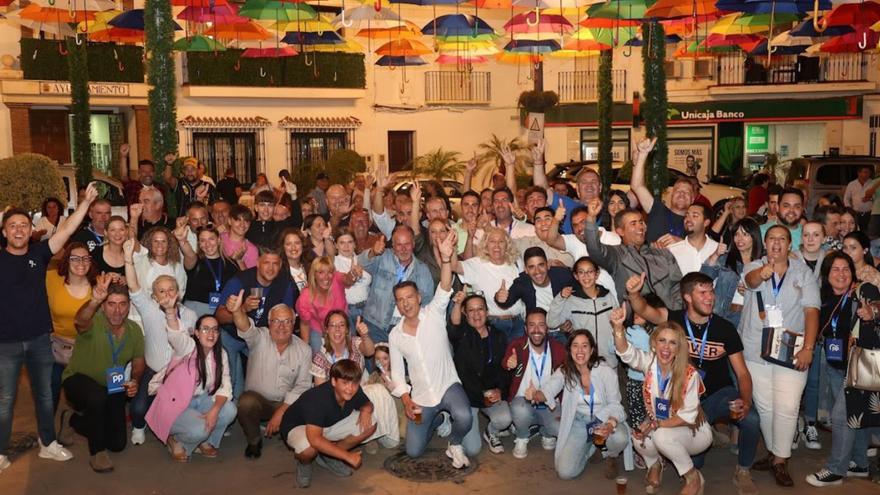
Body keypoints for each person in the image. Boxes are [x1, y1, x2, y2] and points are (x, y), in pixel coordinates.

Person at [627, 271, 761, 494]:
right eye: (703, 292)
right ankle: (676, 460)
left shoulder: (725, 329)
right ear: (687, 297)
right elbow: (643, 310)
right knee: (693, 461)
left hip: (717, 395)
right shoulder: (673, 320)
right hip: (682, 399)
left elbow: (743, 374)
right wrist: (633, 293)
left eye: (711, 292)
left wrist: (745, 401)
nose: (710, 297)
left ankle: (744, 470)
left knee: (752, 418)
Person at [0, 184, 98, 472]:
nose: (18, 230)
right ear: (4, 232)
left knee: (44, 395)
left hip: (41, 339)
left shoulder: (39, 254)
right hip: (5, 344)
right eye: (12, 226)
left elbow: (66, 231)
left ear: (31, 230)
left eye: (23, 225)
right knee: (5, 401)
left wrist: (84, 203)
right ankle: (0, 451)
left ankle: (48, 444)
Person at [741, 225, 820, 486]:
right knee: (765, 407)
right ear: (765, 243)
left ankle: (781, 460)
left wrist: (808, 348)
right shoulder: (754, 266)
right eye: (771, 239)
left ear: (789, 244)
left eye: (782, 239)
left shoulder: (802, 272)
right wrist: (762, 274)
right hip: (756, 348)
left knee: (787, 406)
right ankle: (776, 453)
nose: (776, 243)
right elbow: (750, 282)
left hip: (791, 349)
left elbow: (811, 311)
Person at [389, 231, 474, 468]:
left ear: (419, 297)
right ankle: (436, 421)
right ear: (397, 304)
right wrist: (406, 399)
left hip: (447, 385)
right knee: (413, 451)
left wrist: (446, 260)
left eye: (409, 297)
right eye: (400, 299)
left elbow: (445, 285)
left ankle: (454, 443)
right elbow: (397, 373)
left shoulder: (434, 313)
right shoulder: (395, 335)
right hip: (421, 398)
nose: (406, 303)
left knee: (465, 416)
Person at [611, 309, 711, 495]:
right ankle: (654, 466)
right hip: (663, 425)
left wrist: (656, 423)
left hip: (694, 432)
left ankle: (692, 477)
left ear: (679, 348)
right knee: (638, 433)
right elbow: (626, 352)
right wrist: (618, 328)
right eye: (662, 341)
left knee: (660, 435)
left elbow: (687, 417)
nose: (666, 347)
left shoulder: (690, 374)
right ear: (654, 344)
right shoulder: (649, 363)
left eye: (673, 343)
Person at [61, 279, 144, 473]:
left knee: (117, 443)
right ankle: (97, 454)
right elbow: (79, 321)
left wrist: (135, 380)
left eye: (122, 304)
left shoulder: (134, 330)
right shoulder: (93, 321)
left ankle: (72, 420)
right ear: (103, 306)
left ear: (129, 306)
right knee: (96, 397)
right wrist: (93, 301)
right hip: (78, 380)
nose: (117, 311)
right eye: (111, 304)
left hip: (112, 383)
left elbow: (139, 363)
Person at [123, 238, 198, 446]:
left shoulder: (191, 316)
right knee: (137, 409)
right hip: (152, 370)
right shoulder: (148, 310)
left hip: (180, 373)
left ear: (179, 292)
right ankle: (140, 426)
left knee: (186, 407)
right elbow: (134, 287)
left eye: (171, 289)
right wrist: (128, 260)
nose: (167, 295)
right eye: (161, 291)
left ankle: (176, 430)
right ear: (154, 297)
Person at [225, 292, 312, 459]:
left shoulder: (304, 350)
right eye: (276, 321)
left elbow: (303, 385)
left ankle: (288, 432)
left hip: (285, 405)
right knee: (246, 402)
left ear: (294, 324)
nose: (282, 326)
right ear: (269, 323)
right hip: (260, 403)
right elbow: (245, 327)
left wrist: (282, 412)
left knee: (306, 406)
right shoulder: (259, 337)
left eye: (287, 321)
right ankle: (254, 440)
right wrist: (237, 311)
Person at [146, 312, 236, 462]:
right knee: (200, 429)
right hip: (176, 405)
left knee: (229, 410)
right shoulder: (187, 348)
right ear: (196, 333)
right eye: (205, 329)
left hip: (201, 400)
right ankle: (176, 440)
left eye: (215, 329)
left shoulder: (221, 353)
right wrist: (170, 311)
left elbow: (225, 385)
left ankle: (203, 440)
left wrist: (214, 410)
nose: (211, 334)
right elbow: (175, 336)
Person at [540, 330, 629, 480]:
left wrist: (610, 424)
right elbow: (550, 387)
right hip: (579, 422)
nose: (580, 351)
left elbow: (616, 405)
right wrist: (537, 394)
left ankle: (611, 455)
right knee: (565, 472)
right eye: (575, 346)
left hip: (603, 419)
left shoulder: (605, 372)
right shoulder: (565, 371)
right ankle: (591, 448)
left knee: (620, 437)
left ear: (592, 349)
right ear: (569, 350)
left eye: (584, 346)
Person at [215, 248, 298, 401]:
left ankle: (261, 410)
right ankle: (228, 413)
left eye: (275, 264)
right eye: (266, 263)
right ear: (258, 263)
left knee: (269, 374)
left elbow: (287, 316)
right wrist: (242, 310)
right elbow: (219, 316)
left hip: (260, 336)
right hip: (232, 335)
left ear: (280, 266)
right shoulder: (239, 281)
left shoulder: (284, 283)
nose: (271, 268)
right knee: (230, 379)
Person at [281, 359, 379, 488]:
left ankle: (330, 457)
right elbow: (315, 439)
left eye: (354, 383)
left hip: (326, 424)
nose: (350, 388)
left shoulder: (354, 390)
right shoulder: (318, 399)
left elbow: (367, 403)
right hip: (298, 426)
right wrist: (347, 456)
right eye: (345, 383)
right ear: (333, 381)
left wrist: (367, 409)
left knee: (370, 423)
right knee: (309, 449)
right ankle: (305, 465)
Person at [584, 200, 683, 310]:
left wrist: (678, 311)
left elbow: (678, 284)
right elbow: (594, 249)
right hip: (637, 319)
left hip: (668, 316)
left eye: (641, 222)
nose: (640, 227)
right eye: (633, 223)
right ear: (620, 231)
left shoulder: (661, 252)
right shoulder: (617, 255)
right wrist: (591, 217)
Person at [448, 291, 512, 456]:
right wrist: (457, 303)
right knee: (472, 449)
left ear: (487, 312)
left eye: (480, 309)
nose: (476, 314)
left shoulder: (498, 336)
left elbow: (505, 370)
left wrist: (500, 391)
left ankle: (491, 431)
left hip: (491, 394)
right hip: (469, 396)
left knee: (505, 418)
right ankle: (455, 425)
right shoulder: (462, 335)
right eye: (471, 310)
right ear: (465, 314)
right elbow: (454, 325)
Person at [502, 308, 566, 459]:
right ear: (525, 328)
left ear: (547, 327)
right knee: (520, 409)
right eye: (531, 325)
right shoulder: (517, 345)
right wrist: (509, 364)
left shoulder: (558, 348)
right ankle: (522, 435)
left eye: (541, 325)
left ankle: (546, 432)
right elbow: (505, 362)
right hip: (523, 400)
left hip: (549, 402)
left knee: (558, 428)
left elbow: (567, 374)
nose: (536, 330)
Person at [358, 224, 434, 344]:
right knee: (374, 362)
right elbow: (361, 262)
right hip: (374, 325)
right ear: (392, 246)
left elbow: (427, 302)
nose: (403, 249)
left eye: (407, 244)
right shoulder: (382, 256)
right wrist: (373, 252)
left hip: (403, 330)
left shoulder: (423, 269)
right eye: (399, 244)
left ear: (413, 244)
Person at [46, 242, 96, 411]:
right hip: (57, 348)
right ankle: (46, 433)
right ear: (66, 260)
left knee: (83, 393)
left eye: (85, 258)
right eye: (74, 258)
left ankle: (75, 422)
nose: (80, 263)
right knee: (49, 388)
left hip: (86, 349)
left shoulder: (98, 286)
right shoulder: (51, 279)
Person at [452, 226, 524, 341]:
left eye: (501, 241)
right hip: (493, 324)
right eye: (492, 241)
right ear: (485, 245)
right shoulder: (476, 264)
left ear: (507, 245)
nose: (497, 246)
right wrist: (452, 246)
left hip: (518, 324)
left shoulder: (517, 263)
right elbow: (454, 266)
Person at [548, 256, 620, 364]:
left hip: (609, 359)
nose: (586, 276)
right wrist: (560, 298)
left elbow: (617, 324)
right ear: (576, 276)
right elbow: (551, 323)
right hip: (583, 360)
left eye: (590, 271)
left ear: (597, 274)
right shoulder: (571, 300)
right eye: (581, 272)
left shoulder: (608, 296)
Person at [701, 218, 765, 329]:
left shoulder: (763, 263)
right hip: (723, 314)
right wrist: (715, 255)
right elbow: (703, 280)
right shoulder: (726, 259)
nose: (739, 238)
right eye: (736, 234)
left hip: (749, 318)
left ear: (754, 237)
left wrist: (749, 292)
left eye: (745, 234)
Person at [630, 138, 694, 245]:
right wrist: (643, 155)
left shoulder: (695, 223)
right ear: (671, 195)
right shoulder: (658, 210)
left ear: (693, 199)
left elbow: (702, 247)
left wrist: (681, 243)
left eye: (687, 192)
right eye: (678, 191)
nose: (682, 194)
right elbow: (637, 186)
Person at [495, 246, 574, 323]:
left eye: (541, 265)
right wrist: (499, 298)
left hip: (562, 327)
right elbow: (506, 303)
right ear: (525, 270)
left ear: (547, 265)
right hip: (537, 330)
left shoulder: (562, 275)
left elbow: (580, 287)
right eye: (531, 267)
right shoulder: (522, 283)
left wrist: (571, 320)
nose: (537, 271)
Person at [296, 256, 354, 352]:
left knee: (349, 352)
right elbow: (305, 324)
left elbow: (347, 279)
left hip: (343, 325)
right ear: (314, 275)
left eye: (329, 272)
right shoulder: (305, 297)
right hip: (319, 329)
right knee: (317, 354)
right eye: (321, 272)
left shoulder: (336, 279)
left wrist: (353, 274)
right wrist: (304, 348)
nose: (326, 277)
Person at [180, 226, 239, 317]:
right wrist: (181, 240)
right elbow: (188, 253)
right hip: (195, 311)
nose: (207, 244)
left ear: (219, 240)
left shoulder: (232, 264)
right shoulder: (195, 261)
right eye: (203, 241)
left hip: (222, 312)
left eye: (211, 239)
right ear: (199, 244)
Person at [310, 311, 375, 385]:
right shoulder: (320, 359)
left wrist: (364, 336)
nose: (337, 328)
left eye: (342, 325)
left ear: (347, 330)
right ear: (327, 330)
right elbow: (321, 391)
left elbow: (370, 352)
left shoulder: (354, 343)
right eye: (332, 325)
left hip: (362, 388)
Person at [130, 227, 187, 303]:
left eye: (163, 241)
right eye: (155, 241)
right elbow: (132, 237)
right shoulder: (142, 259)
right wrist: (134, 218)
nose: (159, 244)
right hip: (143, 309)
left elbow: (180, 292)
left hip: (169, 310)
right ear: (150, 243)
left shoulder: (176, 266)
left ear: (169, 244)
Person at [667, 203, 719, 277]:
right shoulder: (672, 251)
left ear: (706, 222)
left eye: (695, 216)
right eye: (686, 215)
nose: (688, 219)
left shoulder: (717, 250)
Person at [334, 229, 371, 329]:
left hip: (368, 307)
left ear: (355, 244)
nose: (346, 246)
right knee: (351, 342)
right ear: (336, 245)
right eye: (342, 243)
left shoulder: (363, 259)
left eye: (350, 242)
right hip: (347, 310)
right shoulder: (333, 262)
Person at [221, 204, 259, 270]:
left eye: (246, 221)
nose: (242, 224)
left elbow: (250, 278)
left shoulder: (252, 249)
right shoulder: (220, 238)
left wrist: (240, 261)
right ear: (229, 221)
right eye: (238, 220)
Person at [843, 165, 874, 232]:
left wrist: (870, 199)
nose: (867, 174)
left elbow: (878, 198)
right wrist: (849, 209)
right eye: (865, 172)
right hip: (856, 213)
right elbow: (846, 198)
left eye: (868, 172)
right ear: (859, 173)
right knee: (856, 231)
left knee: (869, 232)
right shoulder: (852, 184)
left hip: (869, 214)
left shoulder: (873, 183)